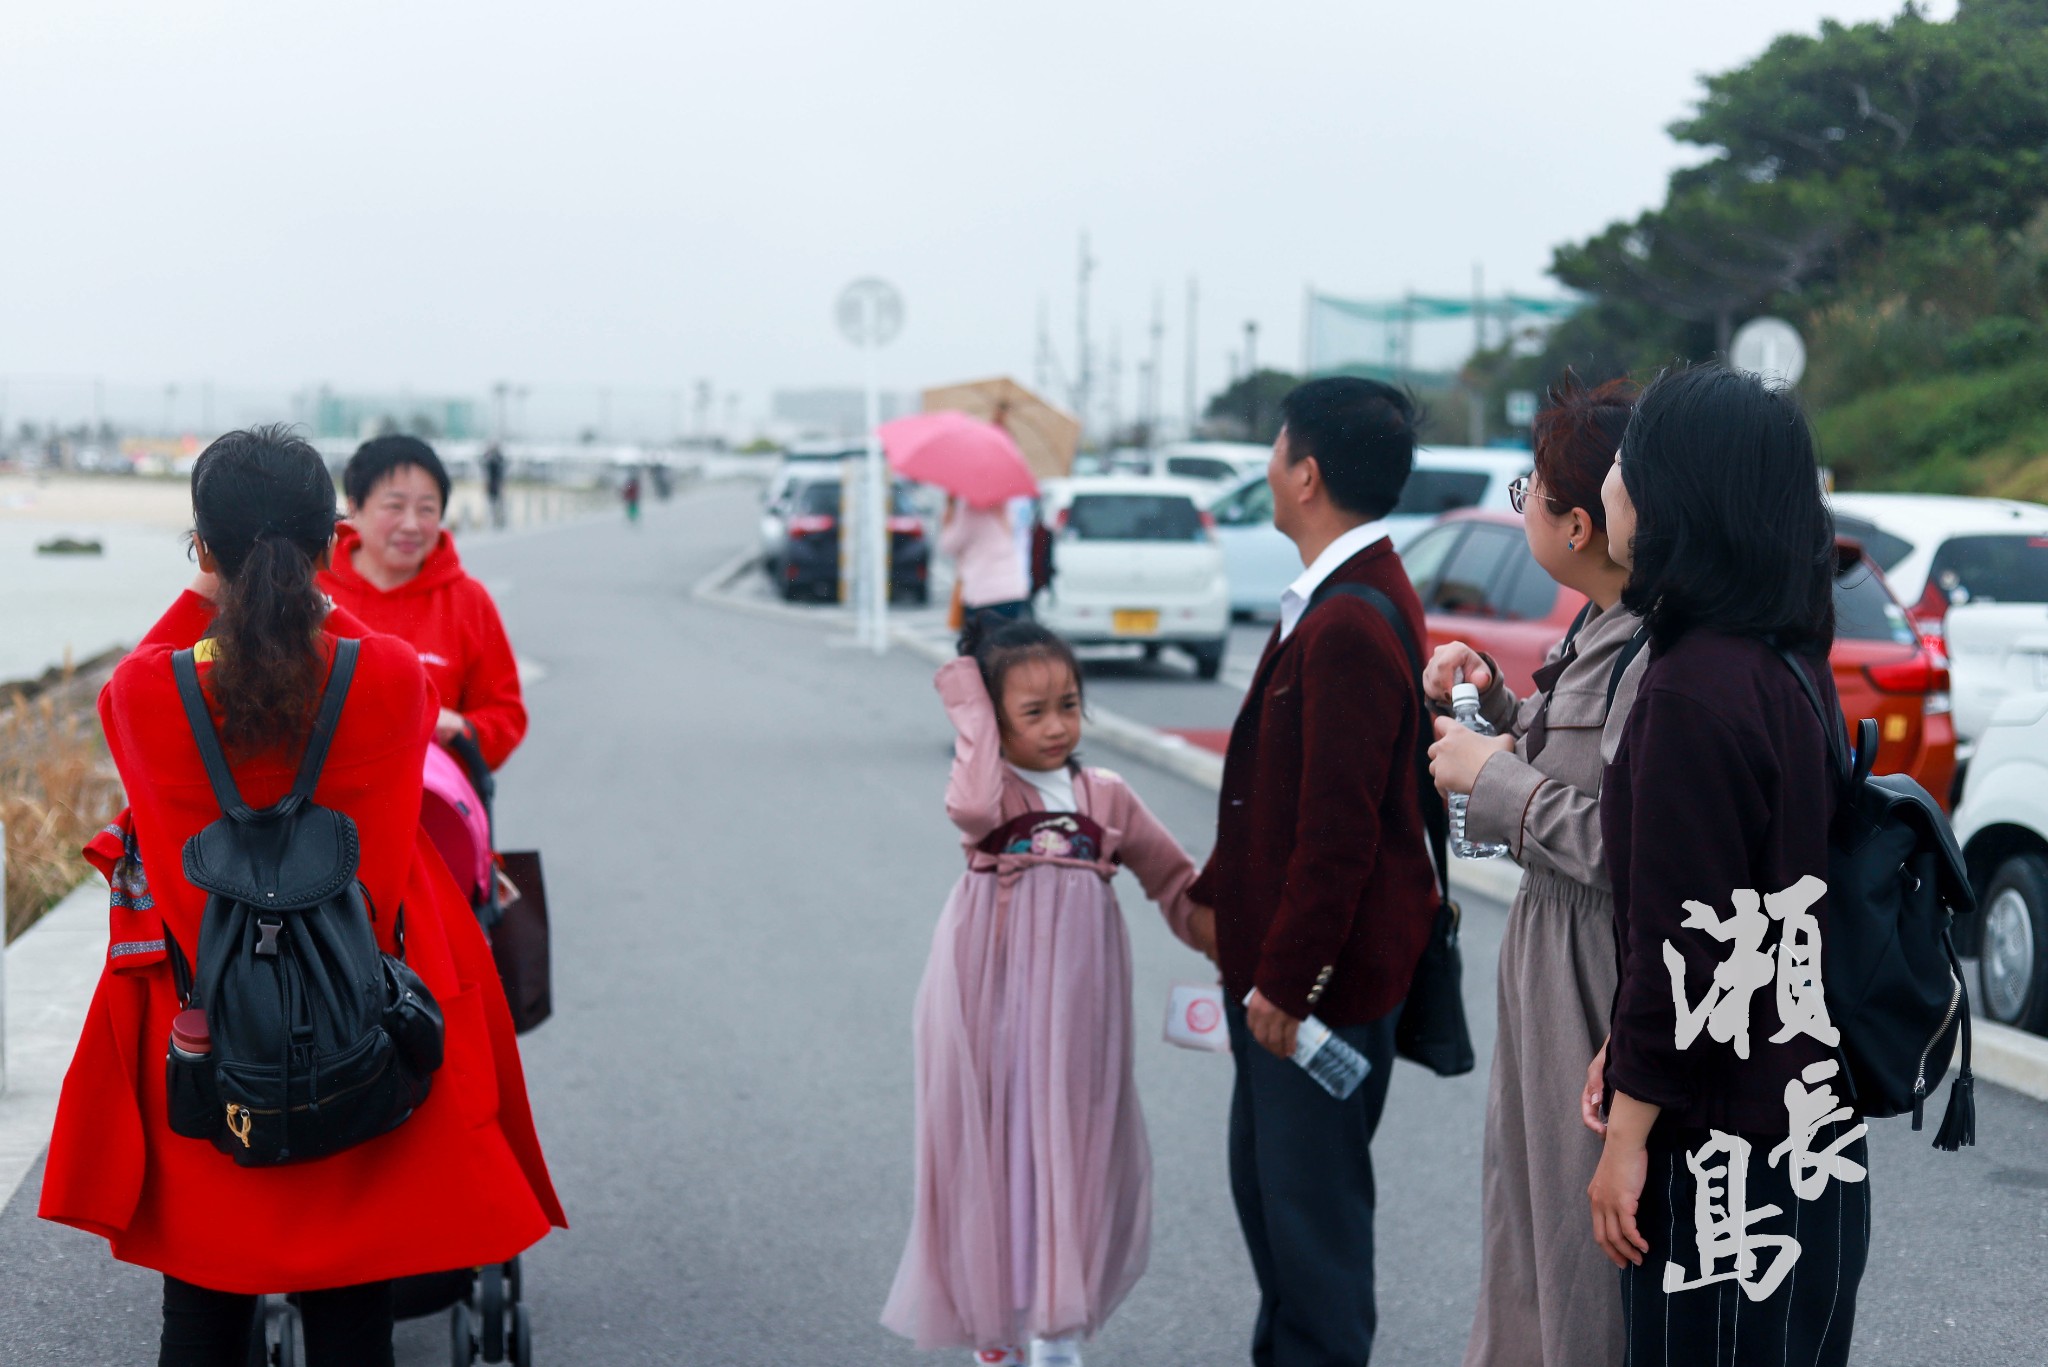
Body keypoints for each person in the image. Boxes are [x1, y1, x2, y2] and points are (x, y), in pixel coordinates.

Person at [38, 426, 565, 1366]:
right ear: (333, 540)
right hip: (349, 1029)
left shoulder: (143, 697)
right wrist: (311, 585)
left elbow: (151, 663)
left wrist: (213, 583)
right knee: (352, 1311)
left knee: (199, 1314)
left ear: (205, 550)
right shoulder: (395, 682)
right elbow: (368, 655)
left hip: (206, 1040)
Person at [1586, 366, 1860, 1364]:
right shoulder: (1783, 661)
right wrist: (1620, 1057)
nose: (1610, 484)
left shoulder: (1689, 689)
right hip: (1804, 1133)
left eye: (1625, 464)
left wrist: (1623, 1141)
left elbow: (1682, 952)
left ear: (1677, 498)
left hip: (1720, 1159)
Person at [882, 619, 1218, 1367]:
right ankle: (995, 1319)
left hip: (1079, 1010)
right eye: (1032, 713)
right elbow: (968, 809)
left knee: (1070, 1142)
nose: (1059, 725)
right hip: (988, 995)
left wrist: (1238, 944)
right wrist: (968, 697)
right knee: (999, 1136)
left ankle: (1056, 1324)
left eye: (1070, 704)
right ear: (993, 719)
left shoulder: (1107, 795)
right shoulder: (990, 791)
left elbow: (1176, 881)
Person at [1187, 376, 1439, 1366]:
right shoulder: (1346, 593)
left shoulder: (1345, 619)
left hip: (1313, 993)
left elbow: (1338, 834)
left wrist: (1286, 984)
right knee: (1277, 1210)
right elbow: (1286, 789)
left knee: (1312, 1239)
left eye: (1275, 448)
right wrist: (1213, 890)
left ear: (1304, 472)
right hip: (1296, 980)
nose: (1266, 466)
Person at [1421, 374, 1644, 1367]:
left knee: (1570, 1238)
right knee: (1525, 1214)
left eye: (1531, 492)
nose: (1526, 511)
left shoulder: (1650, 648)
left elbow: (1642, 846)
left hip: (1592, 969)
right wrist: (1500, 711)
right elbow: (1576, 764)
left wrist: (1492, 781)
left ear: (1581, 522)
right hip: (1549, 953)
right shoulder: (1598, 624)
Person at [318, 435, 528, 772]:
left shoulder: (468, 601)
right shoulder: (309, 591)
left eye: (427, 509)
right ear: (354, 507)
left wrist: (462, 730)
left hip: (431, 811)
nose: (412, 525)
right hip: (320, 815)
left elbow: (507, 715)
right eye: (395, 507)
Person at [941, 495, 1031, 642]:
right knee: (1006, 649)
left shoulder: (969, 510)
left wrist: (947, 519)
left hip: (983, 593)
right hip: (1012, 589)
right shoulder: (1004, 506)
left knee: (981, 650)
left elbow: (949, 545)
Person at [482, 443, 507, 529]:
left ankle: (498, 521)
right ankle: (497, 521)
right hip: (494, 486)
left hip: (494, 486)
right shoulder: (497, 460)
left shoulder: (494, 460)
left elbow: (490, 475)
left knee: (496, 504)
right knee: (495, 504)